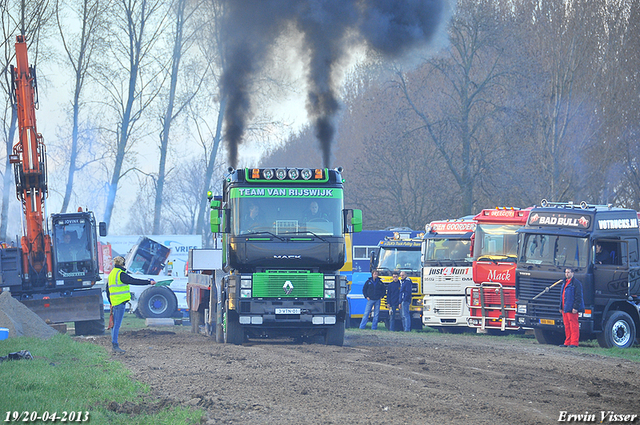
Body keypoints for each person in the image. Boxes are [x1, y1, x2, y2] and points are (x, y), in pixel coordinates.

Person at [107, 256, 155, 353]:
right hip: (120, 303)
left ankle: (114, 344)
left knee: (113, 325)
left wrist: (111, 303)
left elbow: (108, 290)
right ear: (123, 264)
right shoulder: (121, 274)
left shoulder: (112, 274)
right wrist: (148, 282)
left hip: (115, 302)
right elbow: (134, 281)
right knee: (117, 325)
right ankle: (115, 345)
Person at [558, 268, 585, 348]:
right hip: (565, 308)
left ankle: (574, 342)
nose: (567, 274)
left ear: (572, 273)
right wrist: (561, 307)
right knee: (567, 326)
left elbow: (578, 296)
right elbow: (562, 296)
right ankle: (567, 342)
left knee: (573, 325)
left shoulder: (576, 283)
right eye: (566, 272)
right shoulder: (564, 283)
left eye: (568, 272)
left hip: (571, 308)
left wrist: (575, 307)